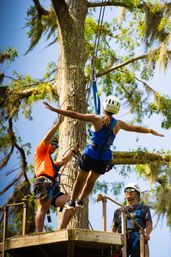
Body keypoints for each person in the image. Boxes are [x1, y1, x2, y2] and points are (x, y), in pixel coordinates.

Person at [43, 96, 164, 225]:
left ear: (104, 107)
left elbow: (75, 114)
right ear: (116, 110)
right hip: (104, 157)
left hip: (92, 154)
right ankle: (81, 200)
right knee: (91, 181)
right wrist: (151, 131)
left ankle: (72, 201)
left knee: (81, 178)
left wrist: (55, 109)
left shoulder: (96, 119)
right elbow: (135, 128)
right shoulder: (118, 124)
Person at [34, 114, 78, 232]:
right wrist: (58, 124)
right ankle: (38, 234)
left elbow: (63, 161)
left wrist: (73, 150)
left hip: (53, 189)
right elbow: (47, 138)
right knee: (43, 207)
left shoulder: (52, 163)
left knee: (71, 203)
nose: (55, 147)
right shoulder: (40, 152)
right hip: (43, 183)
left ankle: (61, 230)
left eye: (57, 145)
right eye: (53, 144)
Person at [111, 183, 153, 257]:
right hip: (121, 236)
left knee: (137, 253)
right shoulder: (118, 211)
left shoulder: (143, 209)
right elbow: (113, 227)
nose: (129, 191)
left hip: (136, 235)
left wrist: (147, 234)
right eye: (126, 190)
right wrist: (110, 238)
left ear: (137, 194)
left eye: (132, 190)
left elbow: (149, 223)